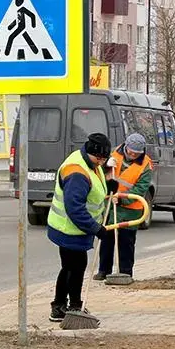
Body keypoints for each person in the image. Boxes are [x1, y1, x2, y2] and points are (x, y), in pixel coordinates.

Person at [46, 133, 113, 322]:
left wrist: (108, 184)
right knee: (74, 268)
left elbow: (94, 186)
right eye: (98, 158)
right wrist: (96, 229)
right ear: (90, 152)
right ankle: (70, 307)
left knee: (70, 267)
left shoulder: (90, 163)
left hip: (75, 229)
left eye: (104, 159)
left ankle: (61, 306)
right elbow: (75, 208)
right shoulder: (76, 172)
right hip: (69, 228)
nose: (101, 162)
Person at [95, 133, 153, 284]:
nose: (133, 155)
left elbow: (140, 188)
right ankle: (103, 270)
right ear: (126, 147)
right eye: (131, 151)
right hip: (110, 205)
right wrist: (106, 165)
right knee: (107, 239)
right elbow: (100, 172)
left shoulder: (145, 165)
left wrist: (122, 198)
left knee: (126, 243)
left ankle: (125, 272)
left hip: (130, 209)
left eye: (136, 153)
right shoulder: (114, 154)